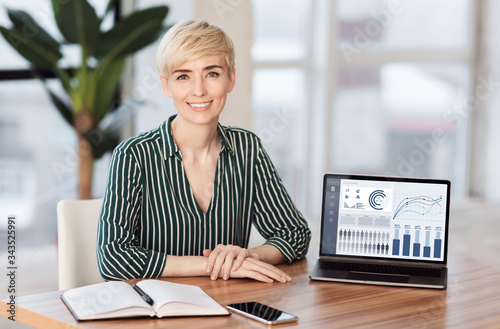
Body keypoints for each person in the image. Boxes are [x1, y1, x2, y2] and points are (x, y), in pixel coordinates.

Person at [96, 19, 311, 284]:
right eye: (183, 76)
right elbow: (112, 257)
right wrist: (213, 265)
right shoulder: (133, 156)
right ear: (166, 85)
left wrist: (247, 257)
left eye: (212, 73)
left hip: (230, 310)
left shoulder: (247, 149)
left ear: (230, 78)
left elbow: (295, 233)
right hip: (157, 315)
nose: (198, 90)